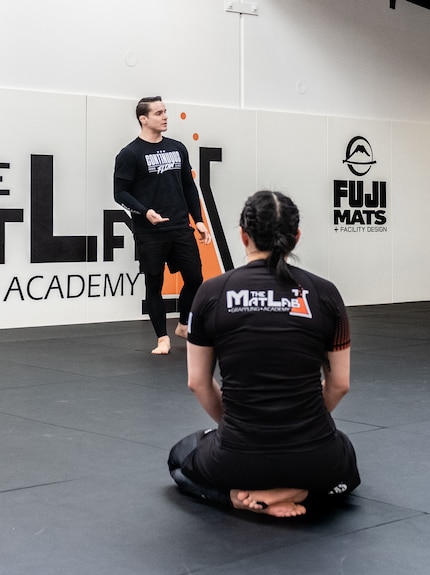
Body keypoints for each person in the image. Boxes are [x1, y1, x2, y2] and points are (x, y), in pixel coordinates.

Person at [167, 191, 360, 518]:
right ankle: (295, 490)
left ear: (243, 236)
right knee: (346, 465)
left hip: (237, 459)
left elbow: (198, 382)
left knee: (178, 459)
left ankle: (237, 499)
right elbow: (339, 384)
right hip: (314, 458)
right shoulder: (326, 294)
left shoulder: (211, 294)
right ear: (296, 238)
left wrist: (235, 427)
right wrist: (303, 424)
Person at [113, 96, 212, 355]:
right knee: (153, 283)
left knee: (195, 278)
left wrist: (198, 220)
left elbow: (189, 187)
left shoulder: (178, 148)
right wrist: (145, 212)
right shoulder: (130, 154)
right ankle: (162, 338)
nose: (165, 116)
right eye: (158, 113)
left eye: (165, 111)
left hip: (180, 226)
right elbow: (120, 193)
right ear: (143, 119)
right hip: (151, 231)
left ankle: (182, 325)